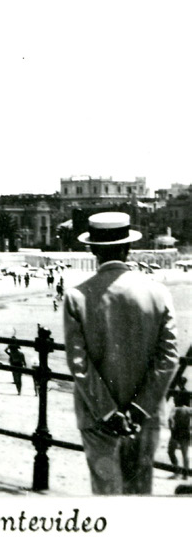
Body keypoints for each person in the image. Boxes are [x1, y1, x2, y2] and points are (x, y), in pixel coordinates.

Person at [63, 212, 179, 495]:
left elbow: (79, 365)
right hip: (146, 416)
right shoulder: (158, 293)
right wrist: (139, 409)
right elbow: (169, 357)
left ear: (92, 249)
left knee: (106, 495)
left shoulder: (77, 296)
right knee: (139, 494)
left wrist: (109, 412)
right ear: (128, 248)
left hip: (97, 419)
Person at [168, 390, 191, 480]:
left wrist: (171, 429)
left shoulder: (175, 409)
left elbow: (170, 420)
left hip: (176, 433)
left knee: (171, 452)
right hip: (186, 433)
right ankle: (185, 475)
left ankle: (176, 471)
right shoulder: (189, 410)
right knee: (185, 454)